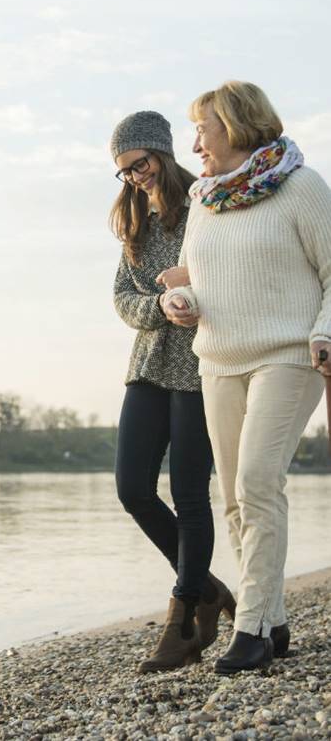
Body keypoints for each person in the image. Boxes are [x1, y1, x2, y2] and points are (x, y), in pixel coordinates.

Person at [160, 80, 331, 674]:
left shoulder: (301, 187)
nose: (195, 142)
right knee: (231, 497)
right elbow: (202, 281)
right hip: (219, 360)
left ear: (233, 125)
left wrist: (324, 331)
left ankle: (251, 629)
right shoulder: (206, 200)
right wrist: (181, 301)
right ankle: (274, 618)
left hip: (289, 355)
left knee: (258, 483)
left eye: (202, 128)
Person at [109, 111, 235, 673]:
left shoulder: (205, 206)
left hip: (201, 364)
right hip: (148, 364)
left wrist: (191, 289)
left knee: (188, 493)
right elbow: (120, 297)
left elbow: (230, 272)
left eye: (141, 163)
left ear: (162, 153)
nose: (136, 177)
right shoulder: (134, 219)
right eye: (125, 171)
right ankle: (205, 588)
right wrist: (157, 306)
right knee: (132, 487)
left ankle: (184, 615)